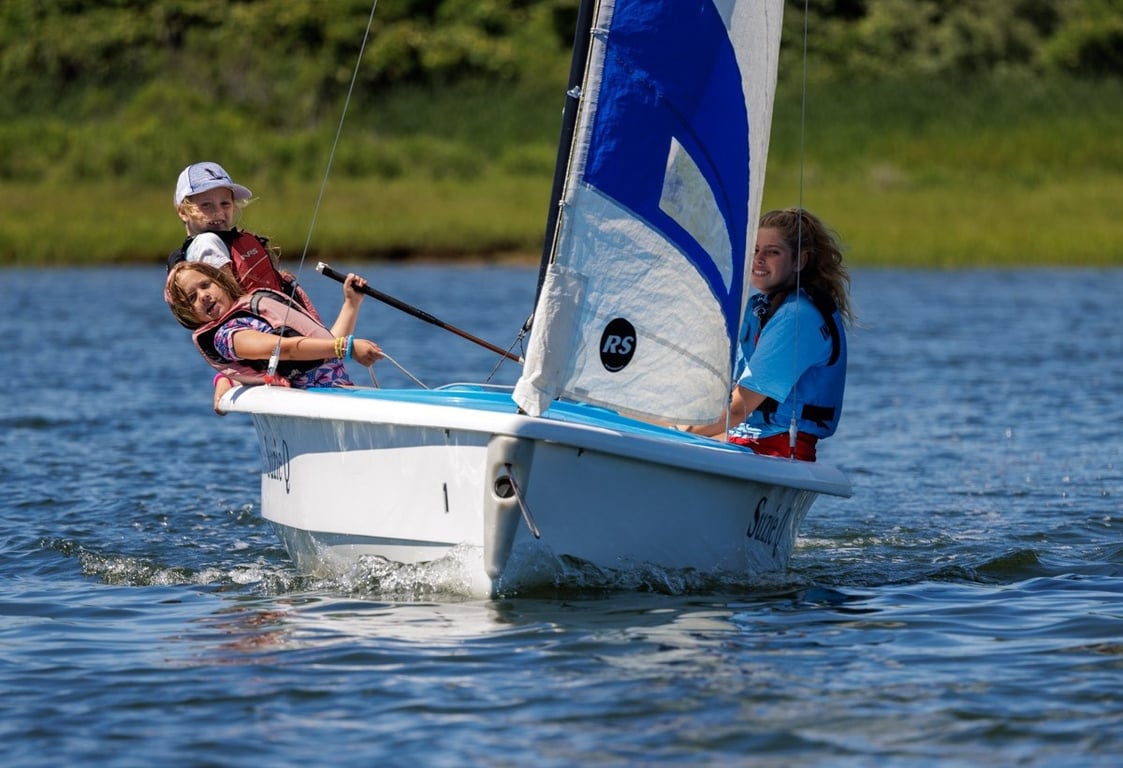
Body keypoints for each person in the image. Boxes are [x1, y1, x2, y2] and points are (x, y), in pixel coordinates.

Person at [684, 208, 854, 461]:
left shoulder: (796, 318)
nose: (759, 259)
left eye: (772, 252)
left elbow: (740, 409)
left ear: (799, 261)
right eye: (754, 250)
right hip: (746, 438)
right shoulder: (761, 307)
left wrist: (681, 430)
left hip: (778, 450)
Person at [166, 261, 384, 398]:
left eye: (205, 285)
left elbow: (322, 348)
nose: (203, 296)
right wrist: (346, 347)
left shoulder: (252, 310)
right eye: (192, 298)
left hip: (337, 391)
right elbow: (283, 349)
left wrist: (351, 304)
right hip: (311, 399)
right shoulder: (226, 337)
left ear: (220, 282)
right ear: (188, 314)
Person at [168, 161, 321, 321]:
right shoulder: (207, 243)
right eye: (206, 205)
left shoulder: (229, 239)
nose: (218, 212)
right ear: (183, 212)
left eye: (225, 203)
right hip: (257, 328)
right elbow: (228, 301)